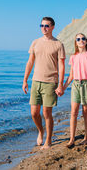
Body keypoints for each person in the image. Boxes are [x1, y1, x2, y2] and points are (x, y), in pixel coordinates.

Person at [22, 17, 66, 149]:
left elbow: (62, 65)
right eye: (41, 25)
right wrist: (25, 80)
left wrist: (60, 85)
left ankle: (48, 140)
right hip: (36, 81)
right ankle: (41, 131)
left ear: (52, 27)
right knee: (34, 113)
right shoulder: (35, 42)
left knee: (47, 113)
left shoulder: (58, 44)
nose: (43, 28)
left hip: (50, 82)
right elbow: (30, 62)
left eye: (46, 26)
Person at [62, 33, 87, 148]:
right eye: (78, 39)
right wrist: (63, 87)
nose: (81, 40)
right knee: (73, 112)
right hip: (76, 85)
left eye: (83, 38)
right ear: (76, 42)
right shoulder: (73, 57)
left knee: (85, 112)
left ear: (86, 41)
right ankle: (72, 138)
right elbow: (71, 75)